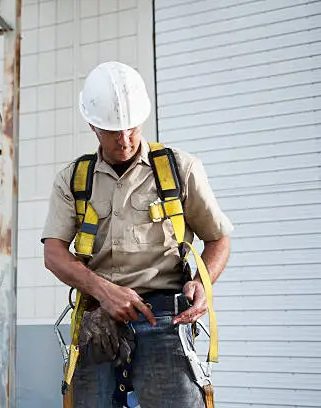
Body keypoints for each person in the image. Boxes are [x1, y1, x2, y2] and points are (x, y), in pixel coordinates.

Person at [41, 61, 233, 407]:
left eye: (131, 127)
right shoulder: (73, 179)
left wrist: (203, 285)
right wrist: (104, 291)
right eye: (113, 131)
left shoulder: (180, 170)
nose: (125, 139)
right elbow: (53, 253)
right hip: (97, 322)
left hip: (165, 318)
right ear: (92, 125)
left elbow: (218, 238)